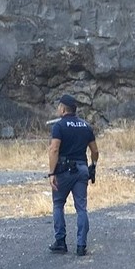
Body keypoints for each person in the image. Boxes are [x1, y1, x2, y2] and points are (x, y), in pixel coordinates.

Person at [48, 94, 98, 256]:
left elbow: (54, 149)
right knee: (81, 208)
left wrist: (51, 173)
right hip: (82, 169)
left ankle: (60, 242)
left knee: (58, 204)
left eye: (58, 106)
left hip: (63, 170)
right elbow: (95, 150)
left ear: (63, 109)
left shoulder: (59, 126)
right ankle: (81, 245)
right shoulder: (86, 126)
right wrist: (93, 165)